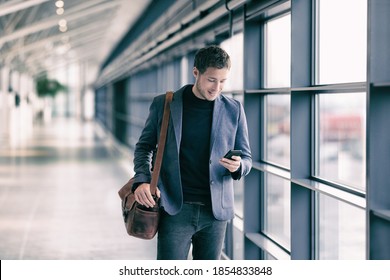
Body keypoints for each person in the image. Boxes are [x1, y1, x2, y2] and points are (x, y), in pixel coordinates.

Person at [132, 45, 252, 260]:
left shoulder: (234, 109)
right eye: (211, 80)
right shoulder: (165, 104)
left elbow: (247, 157)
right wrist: (142, 180)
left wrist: (239, 166)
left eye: (223, 81)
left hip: (215, 214)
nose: (217, 88)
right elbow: (144, 147)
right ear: (196, 72)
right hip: (175, 209)